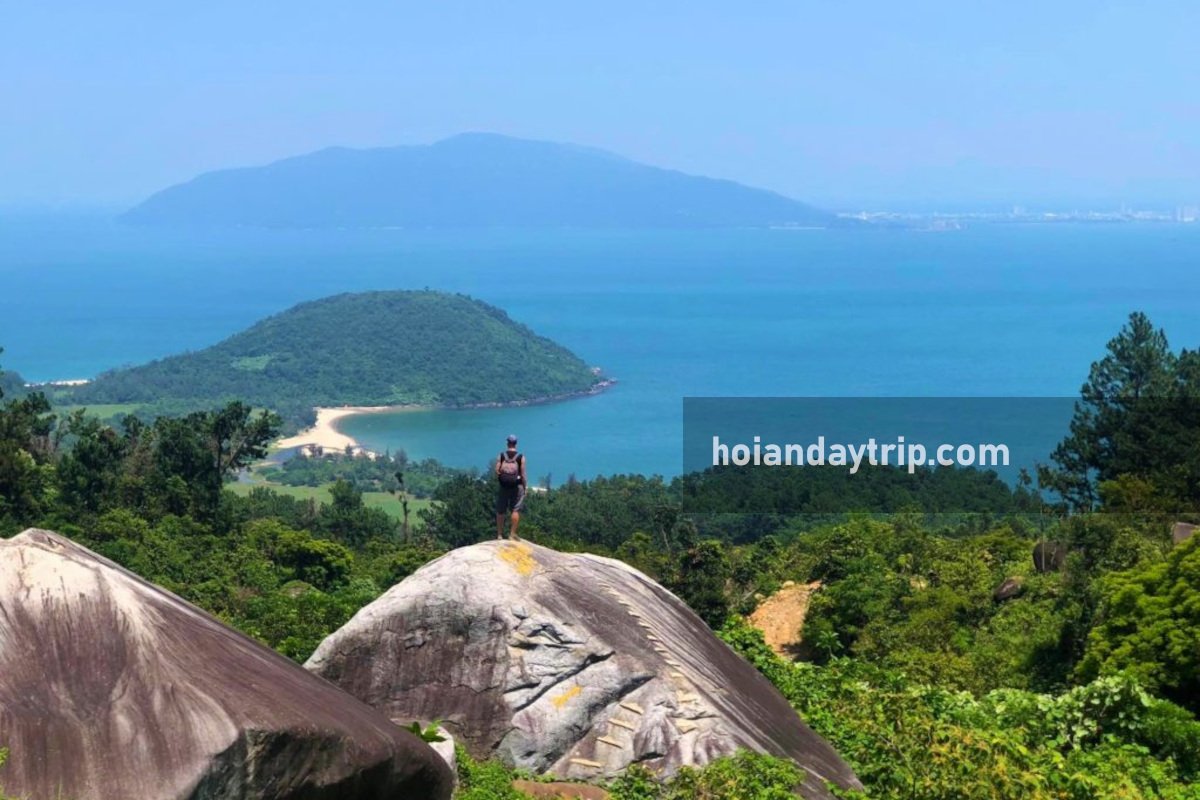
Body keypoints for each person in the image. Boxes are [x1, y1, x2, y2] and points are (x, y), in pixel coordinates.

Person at [495, 434, 527, 540]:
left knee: (501, 510)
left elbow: (497, 470)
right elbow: (523, 474)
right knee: (515, 509)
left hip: (504, 486)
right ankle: (512, 534)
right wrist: (524, 486)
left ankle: (499, 534)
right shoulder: (520, 457)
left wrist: (503, 479)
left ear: (507, 443)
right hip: (516, 486)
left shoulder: (502, 455)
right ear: (516, 443)